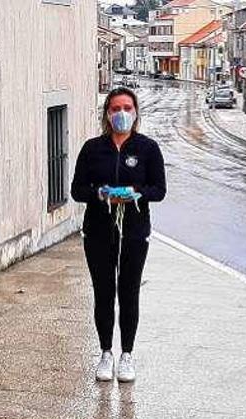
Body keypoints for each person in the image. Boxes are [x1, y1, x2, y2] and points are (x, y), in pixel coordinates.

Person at [71, 87, 166, 383]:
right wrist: (100, 194)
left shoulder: (148, 149)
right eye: (115, 109)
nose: (121, 114)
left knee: (129, 292)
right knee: (103, 292)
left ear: (135, 113)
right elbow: (77, 190)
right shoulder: (91, 148)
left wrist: (135, 193)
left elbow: (159, 190)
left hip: (135, 233)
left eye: (127, 108)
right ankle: (105, 353)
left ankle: (126, 354)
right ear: (107, 114)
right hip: (98, 232)